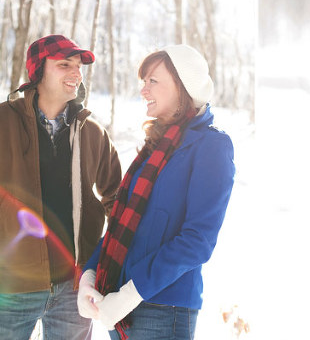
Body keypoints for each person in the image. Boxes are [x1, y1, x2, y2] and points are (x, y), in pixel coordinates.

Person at [76, 45, 235, 340]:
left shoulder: (211, 147)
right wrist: (89, 275)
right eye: (143, 81)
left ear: (182, 86)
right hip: (121, 306)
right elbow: (122, 225)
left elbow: (197, 240)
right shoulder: (154, 149)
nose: (143, 90)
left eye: (153, 81)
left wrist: (130, 294)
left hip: (163, 308)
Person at [0, 35, 122, 339]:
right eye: (64, 64)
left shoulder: (92, 132)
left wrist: (103, 265)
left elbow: (119, 201)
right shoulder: (4, 122)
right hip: (11, 286)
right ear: (38, 71)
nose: (75, 73)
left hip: (73, 288)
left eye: (78, 66)